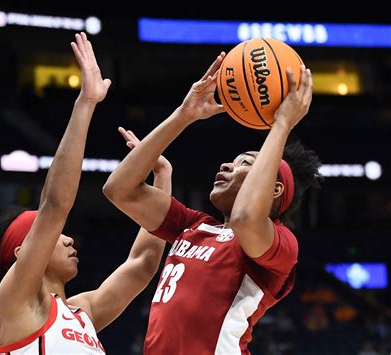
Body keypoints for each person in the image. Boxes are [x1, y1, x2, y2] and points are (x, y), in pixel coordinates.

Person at [0, 32, 168, 354]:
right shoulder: (14, 303)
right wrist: (86, 102)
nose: (68, 239)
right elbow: (55, 205)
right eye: (57, 235)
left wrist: (163, 176)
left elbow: (143, 263)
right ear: (24, 252)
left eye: (63, 235)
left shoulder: (83, 313)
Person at [103, 52, 321, 354]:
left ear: (274, 189)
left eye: (245, 162)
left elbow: (246, 218)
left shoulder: (282, 244)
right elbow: (119, 189)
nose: (227, 165)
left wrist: (281, 126)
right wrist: (184, 114)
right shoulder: (193, 226)